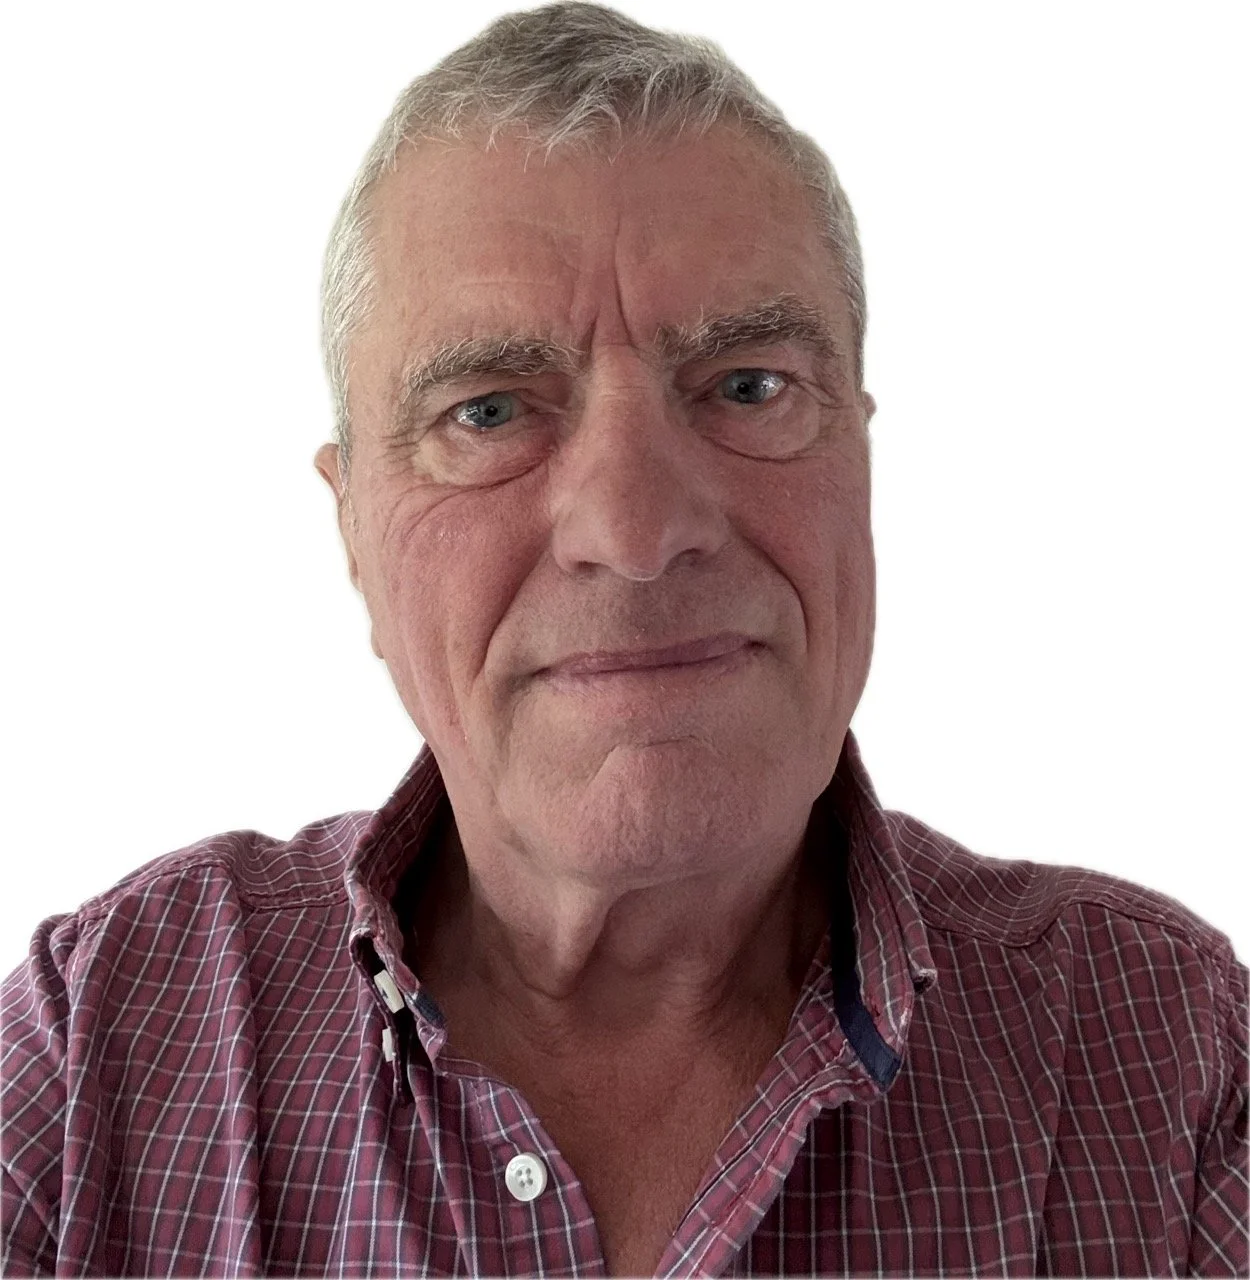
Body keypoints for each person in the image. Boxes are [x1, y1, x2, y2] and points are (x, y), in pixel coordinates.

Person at [2, 2, 1245, 1275]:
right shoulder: (102, 1041)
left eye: (747, 385)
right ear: (356, 536)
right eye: (487, 411)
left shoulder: (1161, 1057)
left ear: (860, 463)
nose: (635, 528)